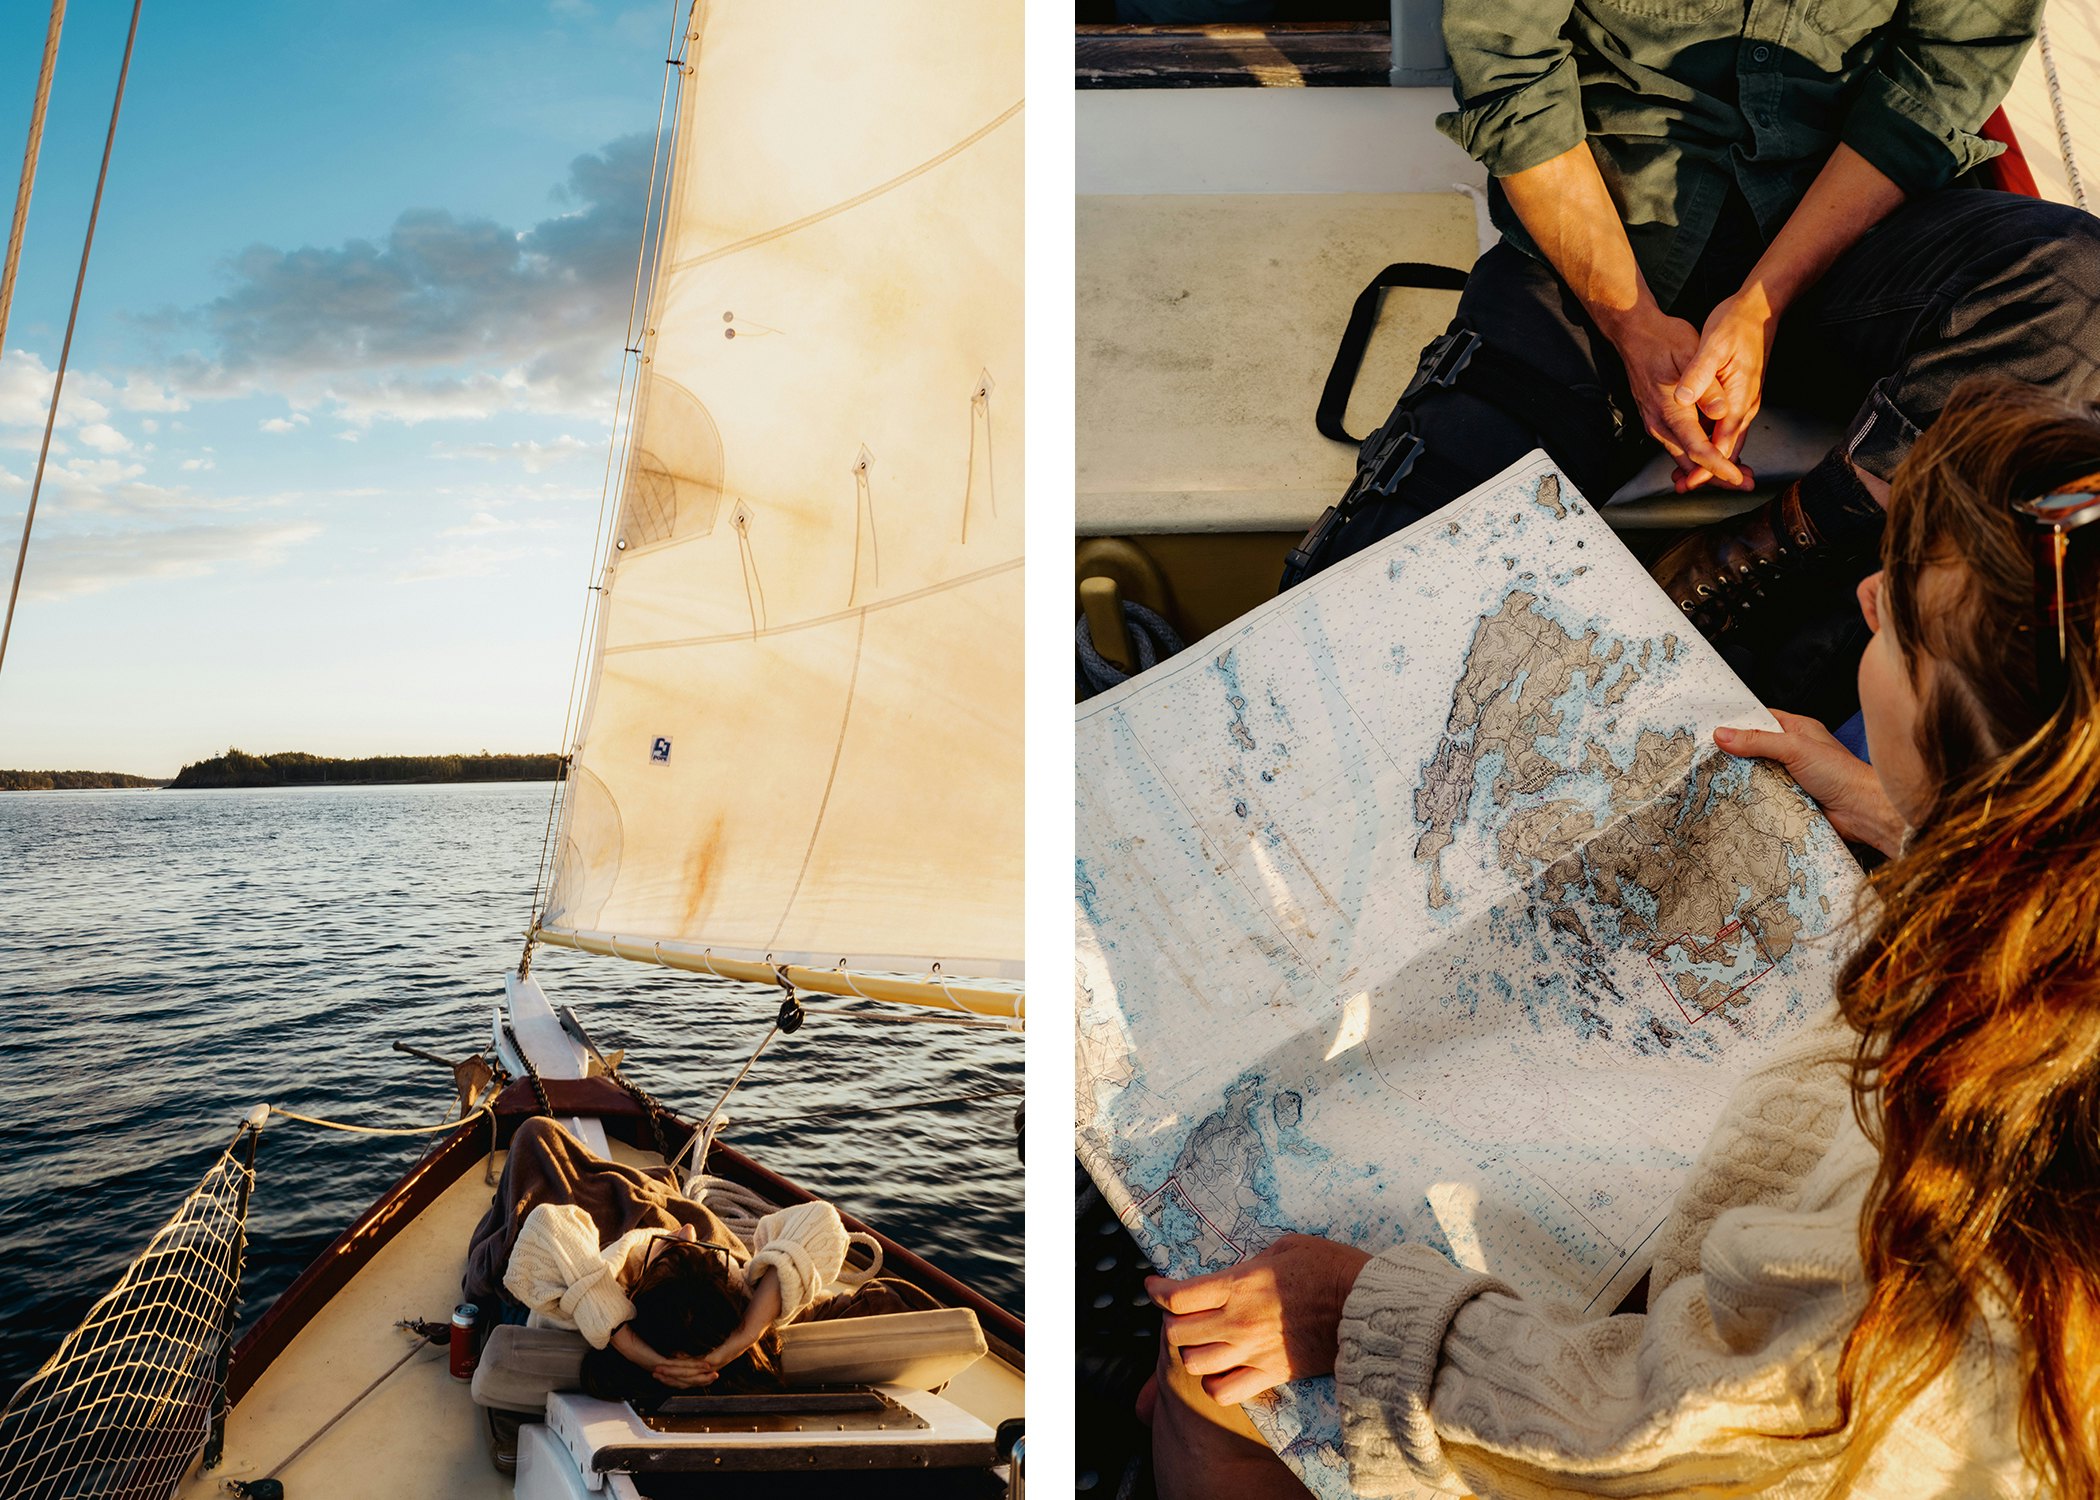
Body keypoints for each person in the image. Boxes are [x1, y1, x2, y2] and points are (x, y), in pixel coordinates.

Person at [1146, 377, 2100, 1495]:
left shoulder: (1969, 1171)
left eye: (1904, 625)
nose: (1866, 595)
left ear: (1986, 758)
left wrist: (1365, 1315)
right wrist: (1900, 816)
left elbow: (1697, 1428)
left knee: (1211, 1381)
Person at [1288, 0, 2100, 731]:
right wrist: (1634, 325)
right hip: (1604, 240)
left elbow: (1941, 74)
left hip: (1855, 236)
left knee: (2078, 284)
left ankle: (1759, 563)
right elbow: (1509, 66)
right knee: (1374, 596)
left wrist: (1763, 304)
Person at [465, 1115, 914, 1401]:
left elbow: (548, 1225)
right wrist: (744, 1335)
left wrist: (626, 1340)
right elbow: (822, 1220)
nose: (689, 1231)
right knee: (660, 1193)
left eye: (671, 1246)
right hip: (689, 1287)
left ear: (632, 1294)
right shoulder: (740, 1311)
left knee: (536, 1135)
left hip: (610, 1225)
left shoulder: (581, 1303)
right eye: (703, 1249)